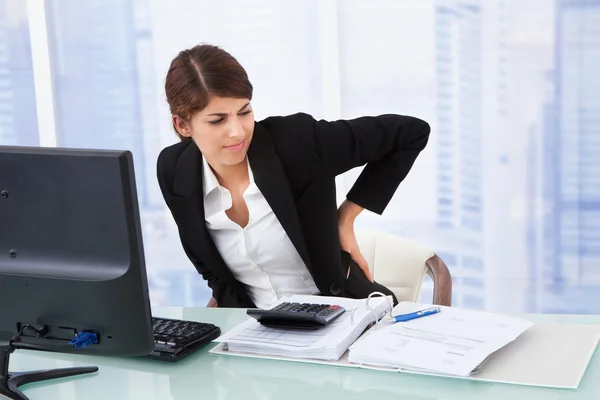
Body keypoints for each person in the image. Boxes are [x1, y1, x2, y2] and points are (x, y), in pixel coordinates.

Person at [156, 44, 430, 309]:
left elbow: (410, 133)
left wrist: (345, 217)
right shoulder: (174, 169)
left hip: (344, 316)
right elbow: (216, 277)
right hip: (257, 332)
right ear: (182, 124)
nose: (238, 131)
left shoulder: (297, 142)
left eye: (244, 112)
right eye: (217, 120)